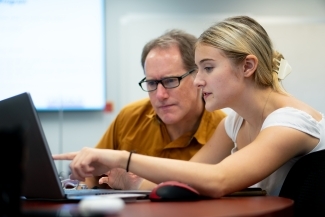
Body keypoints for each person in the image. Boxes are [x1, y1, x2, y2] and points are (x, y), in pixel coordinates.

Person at [53, 15, 325, 197]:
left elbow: (219, 179)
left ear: (247, 66)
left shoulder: (292, 122)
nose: (198, 81)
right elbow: (186, 183)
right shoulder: (234, 122)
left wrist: (121, 157)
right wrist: (130, 181)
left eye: (207, 68)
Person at [83, 29, 226, 190]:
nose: (160, 95)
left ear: (197, 76)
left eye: (171, 81)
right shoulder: (129, 117)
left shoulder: (223, 129)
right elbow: (90, 179)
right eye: (151, 83)